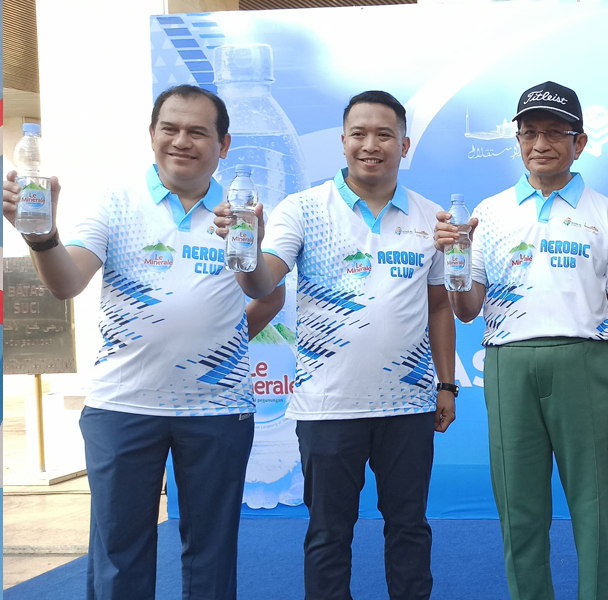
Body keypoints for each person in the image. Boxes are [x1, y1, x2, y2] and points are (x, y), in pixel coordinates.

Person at [1, 84, 284, 600]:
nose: (182, 140)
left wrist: (249, 251)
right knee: (120, 553)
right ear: (152, 136)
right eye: (169, 129)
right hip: (122, 405)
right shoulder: (116, 202)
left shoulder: (239, 211)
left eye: (198, 131)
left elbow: (266, 291)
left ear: (222, 145)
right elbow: (66, 282)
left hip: (217, 410)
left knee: (212, 551)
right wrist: (41, 236)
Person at [218, 90, 457, 600]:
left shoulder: (431, 217)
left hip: (408, 405)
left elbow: (440, 306)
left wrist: (447, 384)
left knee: (410, 528)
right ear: (343, 142)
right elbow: (264, 285)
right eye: (359, 134)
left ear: (405, 144)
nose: (371, 145)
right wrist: (245, 249)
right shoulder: (303, 209)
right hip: (327, 406)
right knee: (329, 535)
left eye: (384, 134)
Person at [434, 81, 608, 600]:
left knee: (596, 510)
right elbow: (466, 309)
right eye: (529, 133)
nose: (540, 143)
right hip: (508, 366)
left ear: (581, 141)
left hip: (585, 365)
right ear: (518, 140)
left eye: (554, 132)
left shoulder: (605, 212)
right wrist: (452, 263)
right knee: (519, 512)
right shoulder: (491, 211)